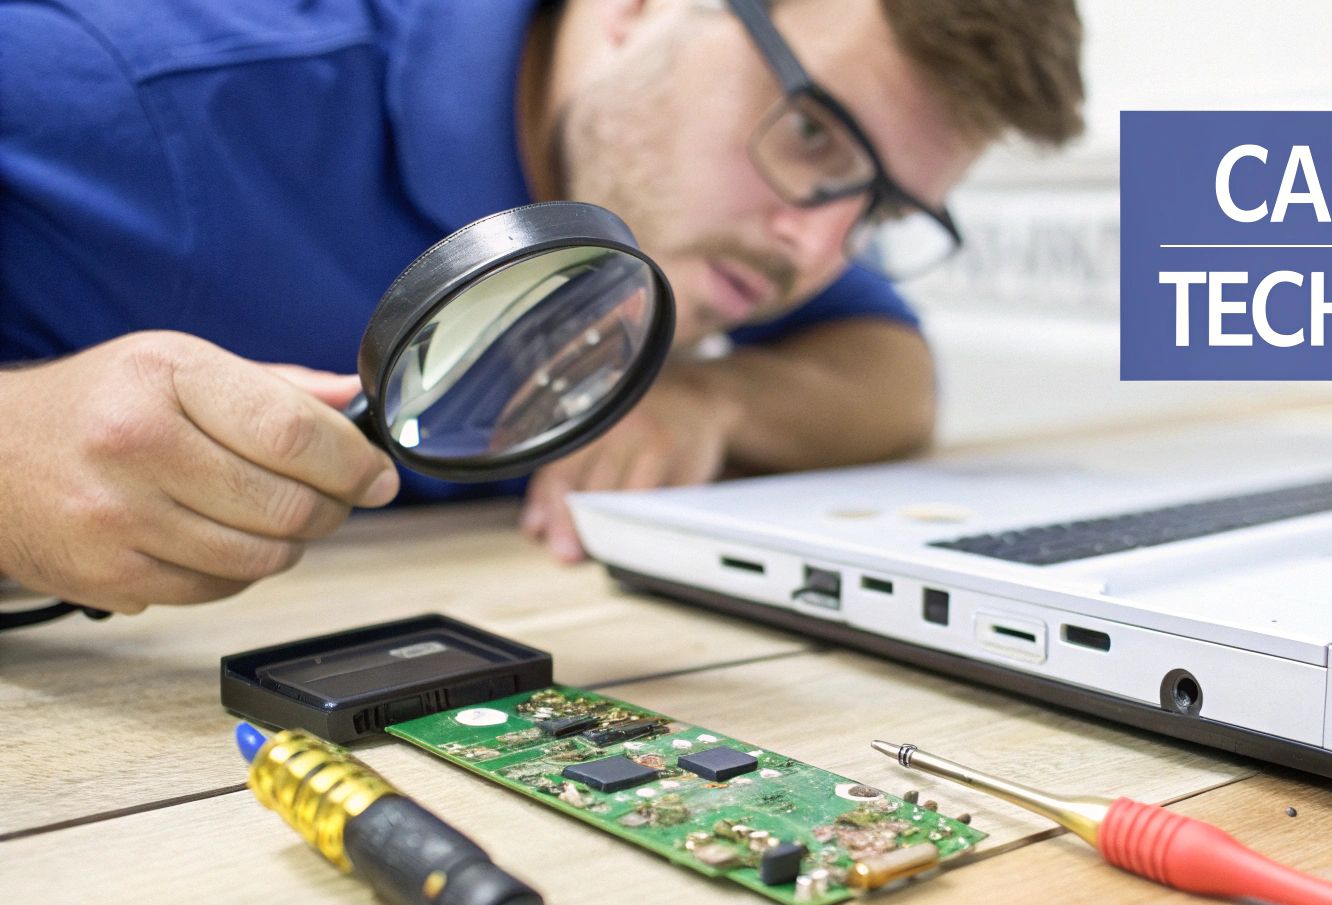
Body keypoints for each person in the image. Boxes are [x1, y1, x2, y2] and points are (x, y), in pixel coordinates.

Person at [0, 0, 1084, 614]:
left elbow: (892, 367)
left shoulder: (739, 227)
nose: (819, 250)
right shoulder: (117, 87)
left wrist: (713, 399)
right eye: (813, 132)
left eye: (881, 206)